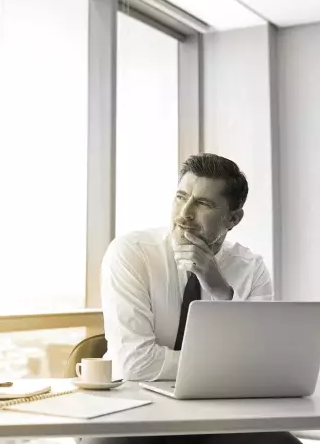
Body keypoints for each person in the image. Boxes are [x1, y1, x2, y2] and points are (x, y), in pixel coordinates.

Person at [97, 153, 298, 444]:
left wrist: (220, 291)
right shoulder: (132, 253)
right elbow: (135, 364)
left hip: (219, 414)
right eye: (181, 197)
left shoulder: (251, 269)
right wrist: (227, 369)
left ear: (233, 218)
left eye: (203, 203)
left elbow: (259, 366)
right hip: (132, 407)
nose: (184, 214)